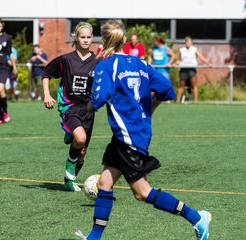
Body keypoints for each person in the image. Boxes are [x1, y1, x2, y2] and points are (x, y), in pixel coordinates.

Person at [76, 20, 211, 240]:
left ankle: (197, 218)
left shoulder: (106, 65)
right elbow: (167, 90)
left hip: (128, 138)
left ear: (105, 41)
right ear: (123, 40)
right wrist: (149, 108)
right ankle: (94, 237)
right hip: (129, 134)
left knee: (142, 193)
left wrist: (88, 106)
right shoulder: (140, 63)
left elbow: (98, 101)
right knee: (104, 183)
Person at [42, 22, 99, 191]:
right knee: (80, 139)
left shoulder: (97, 62)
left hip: (88, 109)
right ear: (76, 38)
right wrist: (46, 95)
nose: (86, 40)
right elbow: (46, 73)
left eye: (89, 37)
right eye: (83, 37)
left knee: (82, 152)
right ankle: (69, 174)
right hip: (70, 107)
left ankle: (69, 179)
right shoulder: (66, 60)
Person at [175, 36, 212, 103]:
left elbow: (201, 57)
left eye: (189, 41)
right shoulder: (181, 50)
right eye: (186, 41)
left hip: (191, 69)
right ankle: (177, 101)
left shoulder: (194, 49)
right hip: (183, 69)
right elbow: (178, 60)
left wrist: (208, 63)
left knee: (193, 85)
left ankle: (195, 101)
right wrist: (175, 63)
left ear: (192, 42)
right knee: (181, 86)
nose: (187, 43)